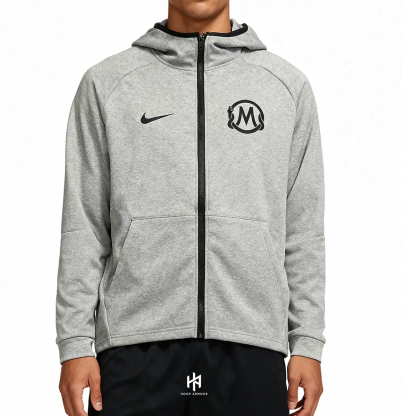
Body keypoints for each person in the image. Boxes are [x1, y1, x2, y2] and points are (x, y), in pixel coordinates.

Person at [56, 0, 326, 415]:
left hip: (251, 344)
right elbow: (85, 223)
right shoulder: (108, 83)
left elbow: (303, 229)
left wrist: (307, 341)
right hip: (133, 346)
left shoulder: (285, 86)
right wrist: (75, 343)